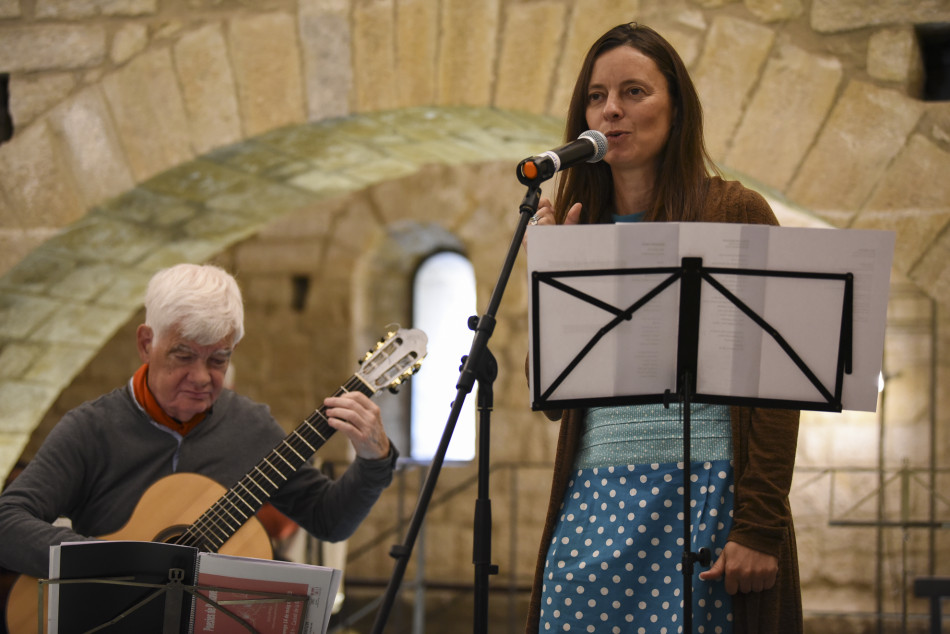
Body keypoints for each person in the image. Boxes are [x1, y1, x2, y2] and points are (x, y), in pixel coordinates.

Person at [523, 23, 802, 633]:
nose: (611, 109)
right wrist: (551, 271)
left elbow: (780, 387)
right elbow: (551, 398)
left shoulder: (736, 212)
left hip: (709, 496)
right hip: (596, 499)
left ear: (677, 108)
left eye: (634, 92)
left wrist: (759, 527)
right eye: (596, 96)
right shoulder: (579, 225)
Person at [0, 263, 398, 581]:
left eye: (218, 359)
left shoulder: (250, 427)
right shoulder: (92, 429)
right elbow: (7, 523)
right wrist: (106, 564)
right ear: (146, 344)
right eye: (183, 355)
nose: (202, 377)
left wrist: (374, 462)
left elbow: (328, 519)